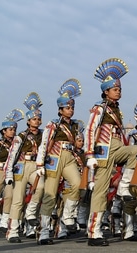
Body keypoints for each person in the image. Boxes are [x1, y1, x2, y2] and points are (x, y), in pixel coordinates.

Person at [83, 58, 137, 246]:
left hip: (116, 148)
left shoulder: (116, 110)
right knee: (100, 192)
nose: (119, 92)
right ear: (106, 92)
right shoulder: (100, 109)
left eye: (120, 89)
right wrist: (89, 154)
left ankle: (124, 186)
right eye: (115, 89)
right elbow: (90, 130)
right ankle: (94, 232)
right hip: (103, 151)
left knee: (136, 151)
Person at [35, 78, 82, 245]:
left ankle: (67, 216)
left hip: (69, 158)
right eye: (67, 108)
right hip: (54, 158)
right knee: (50, 195)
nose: (70, 110)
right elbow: (44, 144)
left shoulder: (75, 125)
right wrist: (40, 164)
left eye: (72, 108)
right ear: (60, 110)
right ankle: (45, 232)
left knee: (77, 183)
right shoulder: (53, 124)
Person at [5, 93, 45, 242]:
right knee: (17, 200)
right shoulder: (20, 136)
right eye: (34, 119)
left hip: (35, 165)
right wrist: (8, 174)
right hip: (21, 166)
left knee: (40, 187)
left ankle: (30, 212)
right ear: (28, 121)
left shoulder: (42, 135)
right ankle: (12, 231)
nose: (38, 121)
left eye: (39, 118)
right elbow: (12, 156)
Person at [0, 109, 24, 234]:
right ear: (4, 131)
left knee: (10, 196)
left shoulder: (17, 144)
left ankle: (4, 221)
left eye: (14, 130)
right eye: (10, 129)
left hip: (11, 172)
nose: (13, 132)